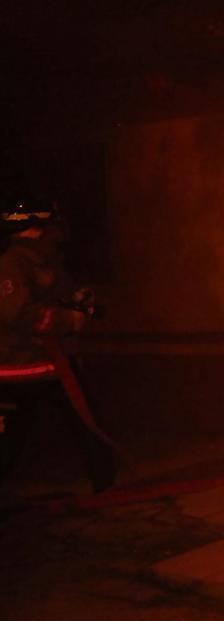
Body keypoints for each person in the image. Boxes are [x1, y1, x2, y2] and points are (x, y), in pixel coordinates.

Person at [0, 199, 116, 493]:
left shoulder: (45, 262)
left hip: (53, 363)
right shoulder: (12, 265)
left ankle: (104, 481)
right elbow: (19, 314)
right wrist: (67, 320)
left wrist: (80, 302)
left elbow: (59, 295)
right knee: (11, 436)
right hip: (22, 365)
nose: (59, 233)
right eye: (52, 227)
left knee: (86, 420)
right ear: (35, 229)